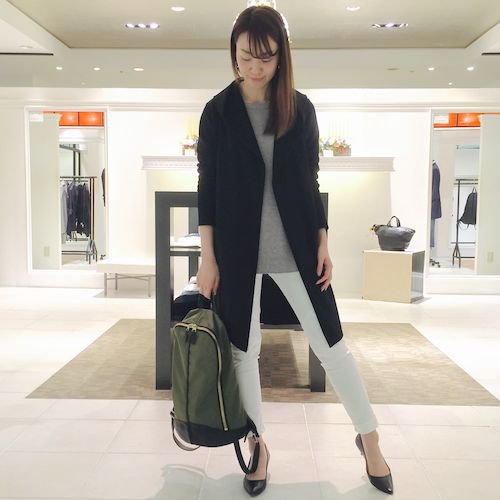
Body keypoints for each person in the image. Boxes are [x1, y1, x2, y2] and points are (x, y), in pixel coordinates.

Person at [196, 5, 393, 497]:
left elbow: (310, 176)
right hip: (237, 249)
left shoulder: (299, 108)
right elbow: (208, 186)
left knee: (332, 346)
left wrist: (323, 236)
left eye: (265, 57)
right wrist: (207, 255)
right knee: (243, 351)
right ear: (233, 54)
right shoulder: (217, 112)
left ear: (281, 56)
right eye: (246, 56)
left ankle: (369, 438)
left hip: (299, 245)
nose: (254, 67)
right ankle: (258, 446)